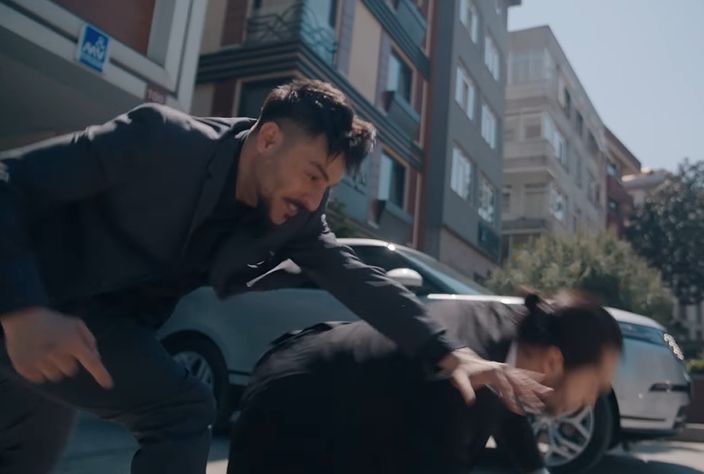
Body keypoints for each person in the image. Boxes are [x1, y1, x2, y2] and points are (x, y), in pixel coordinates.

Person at [0, 79, 550, 474]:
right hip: (27, 296)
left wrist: (453, 354)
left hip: (89, 335)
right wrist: (23, 310)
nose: (314, 199)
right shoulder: (160, 141)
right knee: (183, 409)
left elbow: (360, 280)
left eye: (326, 187)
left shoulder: (295, 219)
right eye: (311, 175)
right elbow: (9, 181)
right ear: (267, 139)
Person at [227, 291, 624, 474]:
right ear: (554, 360)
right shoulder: (459, 386)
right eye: (596, 384)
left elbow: (510, 411)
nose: (594, 397)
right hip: (292, 415)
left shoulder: (507, 341)